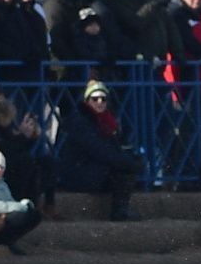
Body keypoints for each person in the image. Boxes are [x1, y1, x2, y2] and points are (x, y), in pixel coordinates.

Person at [58, 80, 143, 221]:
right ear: (87, 100)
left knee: (126, 166)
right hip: (79, 172)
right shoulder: (81, 122)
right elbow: (99, 150)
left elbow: (111, 148)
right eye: (95, 98)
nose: (99, 102)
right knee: (122, 168)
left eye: (103, 99)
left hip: (93, 168)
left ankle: (121, 209)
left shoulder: (106, 121)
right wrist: (127, 163)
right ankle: (119, 211)